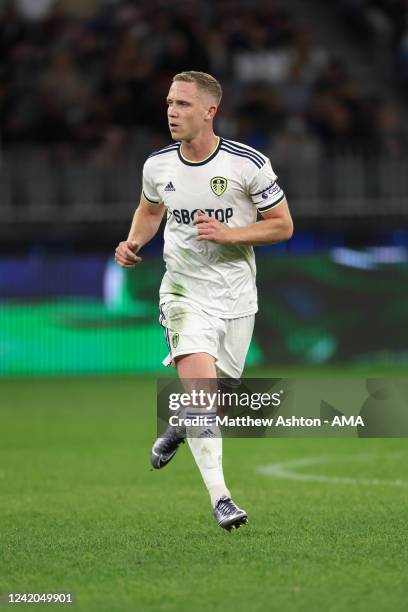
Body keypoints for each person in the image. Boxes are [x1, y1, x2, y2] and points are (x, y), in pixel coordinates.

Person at [115, 71, 293, 531]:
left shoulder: (246, 164)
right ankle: (222, 499)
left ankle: (178, 427)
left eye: (183, 105)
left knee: (218, 403)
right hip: (183, 291)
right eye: (170, 103)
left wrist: (231, 234)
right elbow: (150, 208)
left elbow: (282, 225)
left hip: (236, 294)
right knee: (202, 396)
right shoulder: (157, 165)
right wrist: (133, 243)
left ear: (210, 111)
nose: (172, 112)